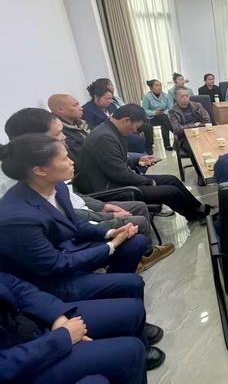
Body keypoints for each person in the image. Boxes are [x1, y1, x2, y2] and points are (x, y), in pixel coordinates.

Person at [1, 108, 172, 271]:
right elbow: (65, 221)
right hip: (67, 241)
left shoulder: (52, 167)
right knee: (138, 223)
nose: (64, 137)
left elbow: (72, 196)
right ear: (36, 140)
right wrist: (108, 225)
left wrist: (101, 207)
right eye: (58, 133)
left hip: (83, 212)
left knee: (140, 209)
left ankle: (139, 257)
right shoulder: (25, 181)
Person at [0, 134, 148, 302]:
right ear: (40, 170)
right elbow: (55, 264)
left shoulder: (58, 187)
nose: (72, 162)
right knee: (134, 282)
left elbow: (75, 224)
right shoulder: (17, 218)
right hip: (49, 280)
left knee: (135, 242)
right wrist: (111, 245)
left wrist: (111, 233)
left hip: (66, 251)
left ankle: (110, 296)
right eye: (64, 159)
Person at [0, 272, 164, 382]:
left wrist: (58, 317)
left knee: (133, 309)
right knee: (131, 352)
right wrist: (62, 338)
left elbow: (17, 287)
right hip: (22, 364)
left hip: (29, 324)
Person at [75, 104, 215, 223]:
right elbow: (121, 175)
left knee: (172, 179)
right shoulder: (104, 137)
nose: (135, 131)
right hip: (112, 189)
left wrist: (137, 160)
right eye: (136, 127)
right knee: (170, 192)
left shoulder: (110, 130)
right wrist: (147, 182)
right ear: (126, 120)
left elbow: (117, 160)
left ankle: (200, 208)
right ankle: (195, 216)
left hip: (115, 179)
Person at [95, 78, 154, 155]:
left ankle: (145, 152)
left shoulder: (113, 103)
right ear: (97, 96)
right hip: (116, 129)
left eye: (112, 85)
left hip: (126, 122)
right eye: (109, 86)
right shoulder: (89, 110)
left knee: (146, 128)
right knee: (136, 138)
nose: (112, 87)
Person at [48, 94, 89, 163]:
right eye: (75, 105)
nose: (81, 108)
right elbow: (82, 156)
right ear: (60, 109)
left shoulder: (80, 122)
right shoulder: (60, 133)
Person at [141, 79, 174, 151]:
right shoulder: (147, 97)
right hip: (152, 118)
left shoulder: (166, 96)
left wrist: (164, 112)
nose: (159, 87)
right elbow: (144, 110)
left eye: (160, 85)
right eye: (156, 86)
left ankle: (167, 145)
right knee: (164, 120)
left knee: (163, 121)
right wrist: (155, 112)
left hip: (164, 116)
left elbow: (170, 107)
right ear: (151, 88)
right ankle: (174, 133)